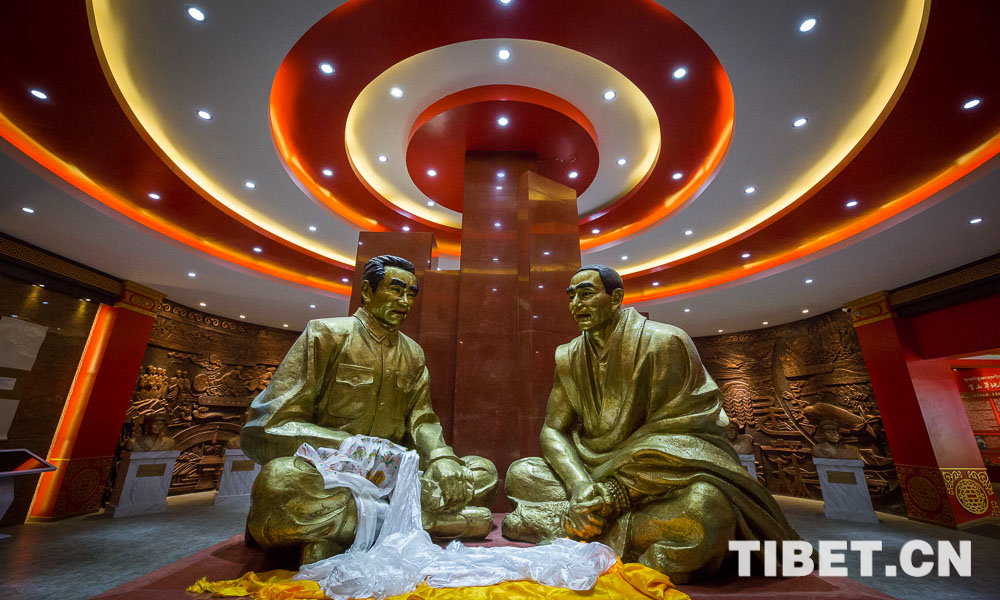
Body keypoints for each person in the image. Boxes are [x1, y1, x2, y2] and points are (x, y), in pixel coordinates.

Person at [502, 265, 798, 583]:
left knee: (707, 509)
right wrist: (580, 487)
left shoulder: (666, 342)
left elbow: (686, 435)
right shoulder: (568, 357)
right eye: (571, 296)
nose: (576, 304)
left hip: (659, 477)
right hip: (592, 471)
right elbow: (553, 429)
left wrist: (617, 491)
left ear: (616, 298)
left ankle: (575, 524)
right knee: (522, 474)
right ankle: (596, 521)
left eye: (586, 294)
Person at [242, 255, 498, 564]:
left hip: (395, 476)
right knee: (279, 481)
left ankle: (356, 528)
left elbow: (422, 420)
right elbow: (267, 426)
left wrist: (442, 458)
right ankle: (428, 522)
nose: (405, 301)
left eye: (411, 294)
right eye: (396, 290)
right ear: (366, 291)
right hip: (328, 475)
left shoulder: (413, 354)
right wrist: (358, 448)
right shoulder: (325, 334)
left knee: (481, 472)